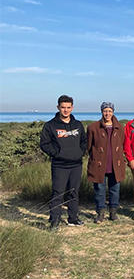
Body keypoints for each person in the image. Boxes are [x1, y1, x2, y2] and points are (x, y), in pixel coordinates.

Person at [40, 94, 87, 231]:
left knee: (74, 193)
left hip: (76, 164)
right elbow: (44, 144)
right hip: (60, 165)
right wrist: (58, 154)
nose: (65, 110)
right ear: (58, 107)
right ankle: (54, 222)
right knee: (58, 193)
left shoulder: (78, 125)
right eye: (63, 107)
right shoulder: (50, 125)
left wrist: (80, 153)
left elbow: (84, 141)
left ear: (72, 108)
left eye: (68, 107)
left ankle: (73, 219)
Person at [86, 102, 126, 223]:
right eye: (105, 111)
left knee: (115, 190)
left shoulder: (120, 127)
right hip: (99, 164)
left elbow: (122, 144)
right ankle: (100, 213)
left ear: (113, 112)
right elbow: (89, 146)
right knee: (99, 190)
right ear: (101, 112)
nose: (107, 114)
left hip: (115, 164)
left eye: (109, 111)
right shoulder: (92, 127)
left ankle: (113, 213)